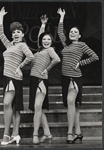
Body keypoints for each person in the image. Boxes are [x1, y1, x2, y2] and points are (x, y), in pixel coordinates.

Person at [57, 8, 99, 144]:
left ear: (80, 35)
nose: (72, 33)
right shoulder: (66, 45)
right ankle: (79, 132)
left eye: (75, 32)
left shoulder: (82, 45)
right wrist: (62, 16)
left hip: (74, 77)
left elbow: (95, 56)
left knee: (71, 101)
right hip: (64, 78)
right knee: (74, 105)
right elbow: (59, 33)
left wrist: (80, 63)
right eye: (71, 32)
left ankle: (70, 133)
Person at [0, 7, 34, 145]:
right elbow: (0, 32)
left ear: (23, 34)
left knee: (7, 103)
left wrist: (20, 67)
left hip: (15, 77)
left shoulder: (22, 45)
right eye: (13, 32)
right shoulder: (9, 45)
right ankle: (15, 134)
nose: (15, 34)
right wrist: (1, 17)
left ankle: (6, 134)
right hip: (6, 77)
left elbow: (30, 56)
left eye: (18, 32)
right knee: (12, 106)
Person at [29, 14, 61, 144]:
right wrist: (43, 25)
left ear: (51, 41)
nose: (46, 41)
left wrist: (47, 69)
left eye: (48, 39)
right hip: (32, 80)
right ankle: (47, 134)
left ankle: (35, 134)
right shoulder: (40, 50)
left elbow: (57, 59)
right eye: (44, 39)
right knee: (38, 109)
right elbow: (39, 38)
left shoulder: (50, 50)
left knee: (37, 106)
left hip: (41, 80)